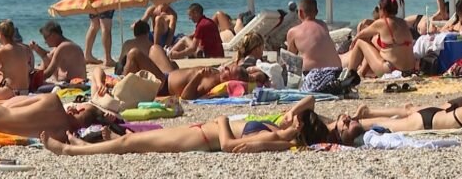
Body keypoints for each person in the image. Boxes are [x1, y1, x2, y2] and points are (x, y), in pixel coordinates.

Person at [41, 94, 326, 155]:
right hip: (199, 132)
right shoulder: (281, 130)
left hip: (202, 140)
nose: (292, 113)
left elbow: (229, 146)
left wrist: (223, 119)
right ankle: (82, 144)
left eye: (296, 117)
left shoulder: (281, 140)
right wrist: (296, 118)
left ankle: (70, 151)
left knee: (131, 144)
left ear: (300, 128)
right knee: (132, 142)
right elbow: (310, 100)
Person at [105, 52, 247, 100]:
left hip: (162, 85)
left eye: (229, 70)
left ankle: (121, 85)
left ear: (231, 80)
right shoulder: (217, 74)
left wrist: (198, 76)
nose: (226, 68)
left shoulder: (211, 84)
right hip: (168, 75)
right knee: (155, 49)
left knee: (134, 54)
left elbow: (185, 97)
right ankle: (131, 76)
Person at [342, 0, 415, 77]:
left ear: (383, 10)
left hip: (391, 69)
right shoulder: (403, 22)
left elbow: (361, 34)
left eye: (379, 8)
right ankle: (361, 73)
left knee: (361, 42)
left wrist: (353, 43)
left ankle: (349, 75)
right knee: (376, 45)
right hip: (410, 69)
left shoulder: (382, 23)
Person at [285, 0, 343, 92]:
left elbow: (291, 60)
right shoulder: (323, 25)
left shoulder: (293, 32)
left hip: (314, 72)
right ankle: (331, 83)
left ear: (300, 12)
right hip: (337, 69)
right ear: (316, 11)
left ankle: (326, 85)